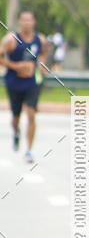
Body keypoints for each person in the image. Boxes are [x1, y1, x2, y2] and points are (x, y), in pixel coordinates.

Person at [0, 10, 49, 163]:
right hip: (14, 82)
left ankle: (29, 150)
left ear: (34, 22)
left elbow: (44, 53)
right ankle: (16, 132)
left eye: (30, 20)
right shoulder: (11, 40)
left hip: (31, 82)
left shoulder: (40, 39)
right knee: (16, 117)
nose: (27, 23)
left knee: (31, 113)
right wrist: (16, 66)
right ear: (20, 22)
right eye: (24, 20)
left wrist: (41, 65)